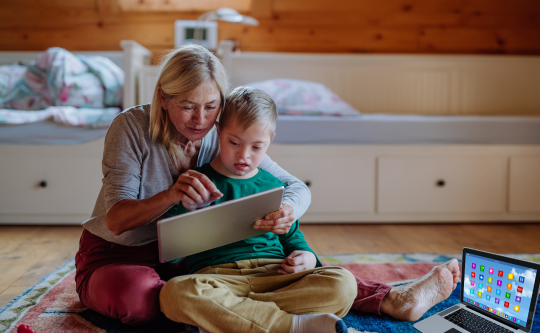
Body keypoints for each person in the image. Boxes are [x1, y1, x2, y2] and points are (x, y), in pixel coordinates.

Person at [74, 43, 460, 327]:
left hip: (200, 261)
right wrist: (172, 194)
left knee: (306, 269)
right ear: (163, 98)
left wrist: (287, 212)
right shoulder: (131, 128)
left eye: (211, 106)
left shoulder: (222, 133)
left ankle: (392, 299)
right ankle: (291, 322)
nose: (200, 119)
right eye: (187, 105)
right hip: (122, 253)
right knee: (145, 301)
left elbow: (291, 185)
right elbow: (117, 220)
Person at [160, 87, 357, 333]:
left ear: (270, 141)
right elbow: (172, 253)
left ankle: (230, 317)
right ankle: (292, 325)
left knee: (344, 284)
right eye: (234, 142)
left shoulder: (274, 186)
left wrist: (306, 258)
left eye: (256, 147)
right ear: (218, 132)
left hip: (276, 275)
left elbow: (294, 239)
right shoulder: (195, 182)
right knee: (175, 293)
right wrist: (187, 212)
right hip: (219, 279)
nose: (243, 155)